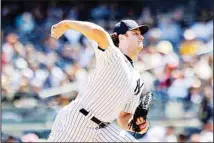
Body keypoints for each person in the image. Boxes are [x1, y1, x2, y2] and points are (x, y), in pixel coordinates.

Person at [48, 19, 152, 142]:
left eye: (141, 34)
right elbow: (97, 32)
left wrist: (136, 125)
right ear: (121, 37)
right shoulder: (113, 55)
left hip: (103, 129)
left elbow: (124, 117)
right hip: (77, 121)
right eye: (136, 33)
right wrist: (67, 24)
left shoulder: (137, 78)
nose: (141, 37)